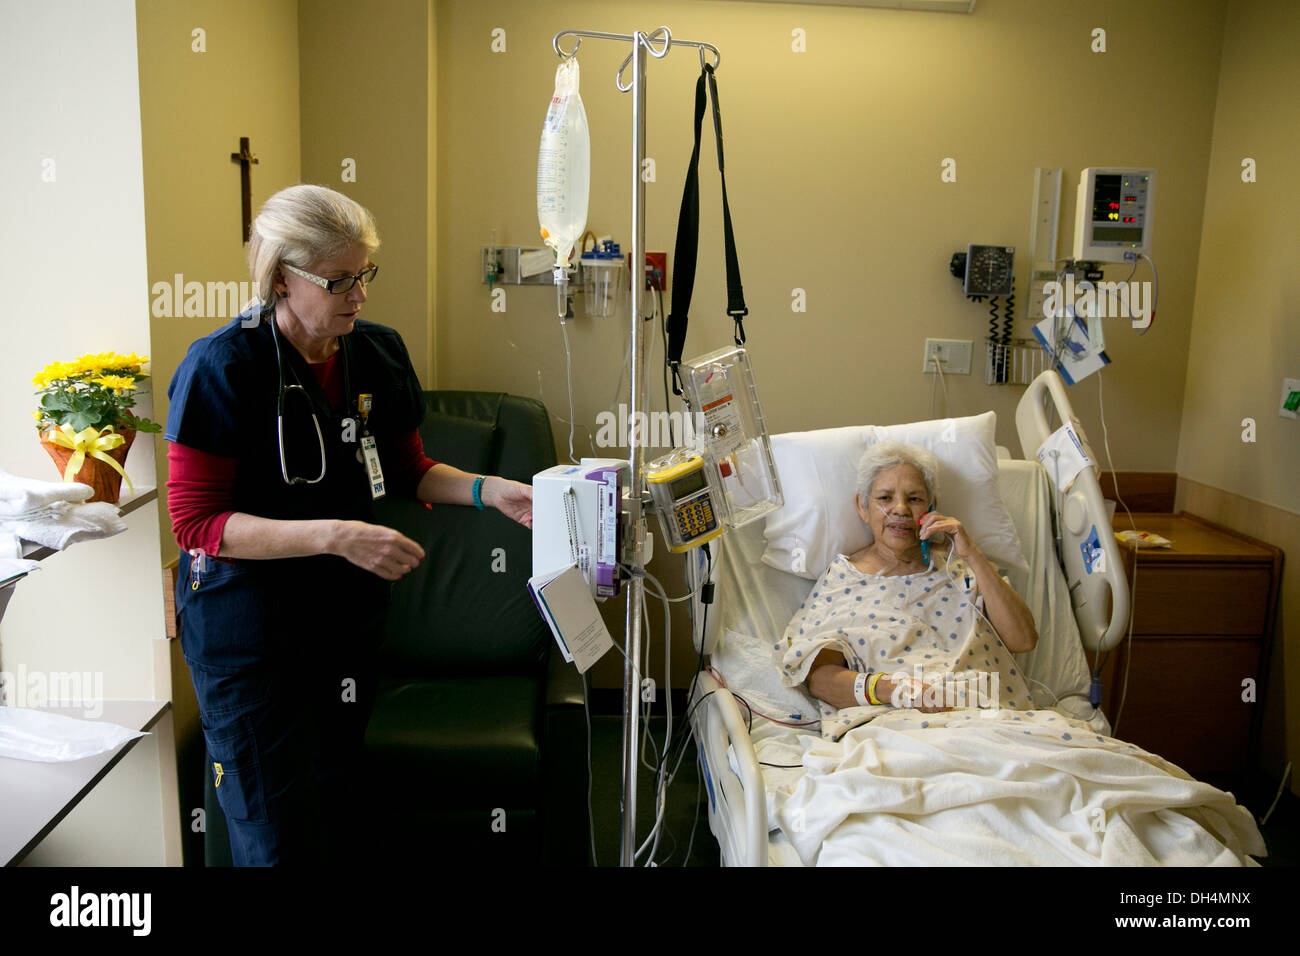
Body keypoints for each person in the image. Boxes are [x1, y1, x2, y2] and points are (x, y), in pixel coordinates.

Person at [165, 184, 532, 865]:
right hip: (248, 637)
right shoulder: (221, 368)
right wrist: (333, 535)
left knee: (334, 810)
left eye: (365, 274)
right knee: (272, 836)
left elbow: (406, 467)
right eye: (338, 280)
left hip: (340, 628)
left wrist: (491, 492)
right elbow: (196, 522)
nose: (358, 296)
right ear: (280, 277)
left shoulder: (376, 355)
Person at [779, 440, 1037, 740]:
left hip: (989, 720)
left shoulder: (963, 569)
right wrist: (901, 690)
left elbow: (1023, 640)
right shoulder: (843, 578)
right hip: (895, 727)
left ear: (931, 507)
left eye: (914, 499)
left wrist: (973, 555)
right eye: (885, 498)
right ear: (862, 507)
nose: (900, 509)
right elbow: (821, 680)